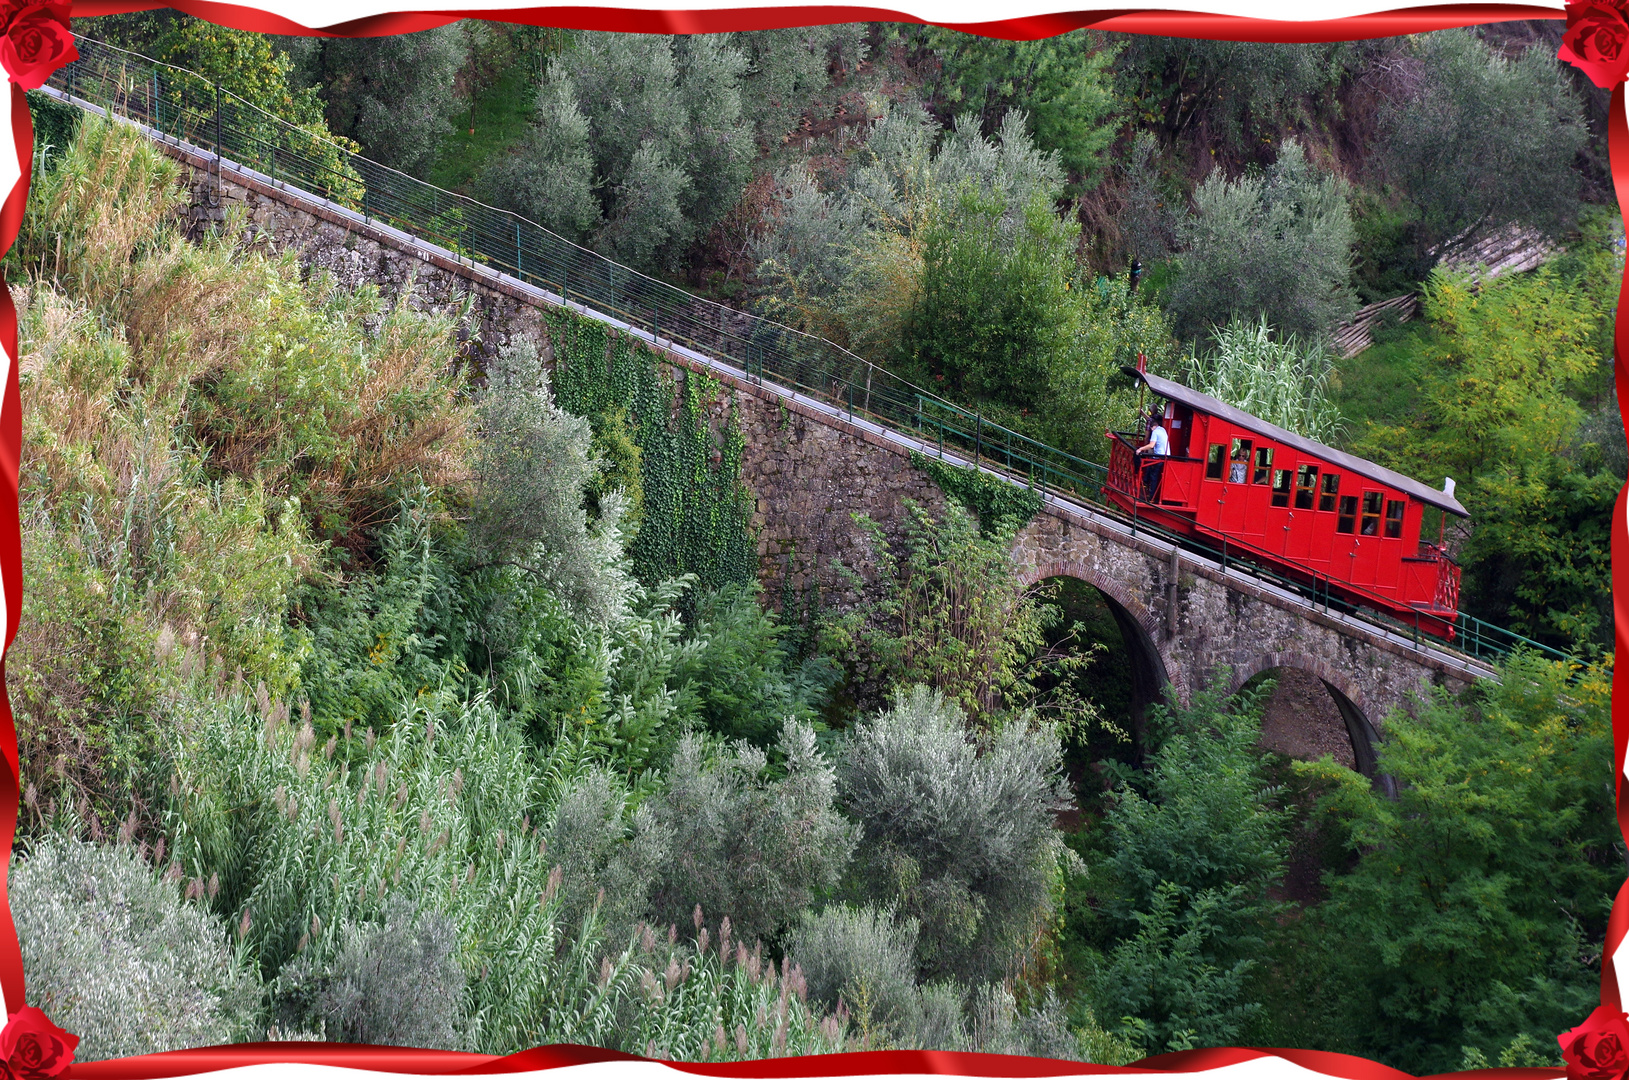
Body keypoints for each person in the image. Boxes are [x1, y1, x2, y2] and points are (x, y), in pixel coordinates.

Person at [1135, 410, 1169, 502]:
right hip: (1165, 456)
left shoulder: (1155, 432)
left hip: (1160, 457)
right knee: (1150, 463)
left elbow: (1151, 445)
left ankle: (1151, 497)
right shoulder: (1163, 429)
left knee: (1154, 475)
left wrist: (1140, 449)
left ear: (1152, 426)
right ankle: (1145, 481)